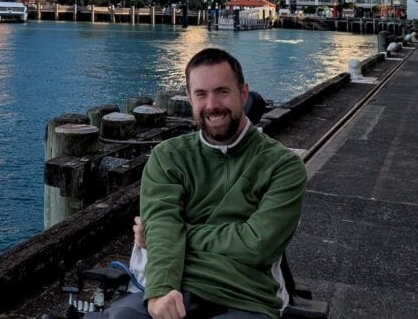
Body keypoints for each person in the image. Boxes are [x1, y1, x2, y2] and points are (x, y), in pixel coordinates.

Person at [92, 48, 308, 319]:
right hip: (176, 283)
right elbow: (161, 222)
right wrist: (159, 294)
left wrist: (178, 232)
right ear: (190, 99)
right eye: (201, 94)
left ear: (243, 94)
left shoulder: (283, 166)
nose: (212, 105)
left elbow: (257, 246)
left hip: (246, 295)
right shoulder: (168, 157)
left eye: (222, 91)